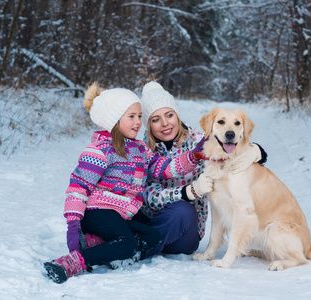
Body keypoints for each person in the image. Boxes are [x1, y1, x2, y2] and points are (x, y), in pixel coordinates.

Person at [43, 82, 205, 284]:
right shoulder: (100, 150)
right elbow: (78, 188)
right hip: (97, 210)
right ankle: (73, 262)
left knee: (153, 236)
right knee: (127, 244)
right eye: (132, 117)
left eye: (139, 116)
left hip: (122, 213)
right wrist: (73, 225)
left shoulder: (141, 149)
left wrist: (194, 155)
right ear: (114, 120)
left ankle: (100, 244)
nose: (138, 122)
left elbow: (166, 168)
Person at [131, 81, 267, 259]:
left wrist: (257, 151)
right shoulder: (142, 150)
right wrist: (187, 191)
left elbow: (230, 144)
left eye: (169, 115)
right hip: (150, 220)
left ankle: (133, 249)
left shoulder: (199, 142)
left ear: (177, 115)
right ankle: (120, 240)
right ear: (148, 125)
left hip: (184, 230)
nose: (165, 123)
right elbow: (145, 195)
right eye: (155, 120)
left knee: (182, 210)